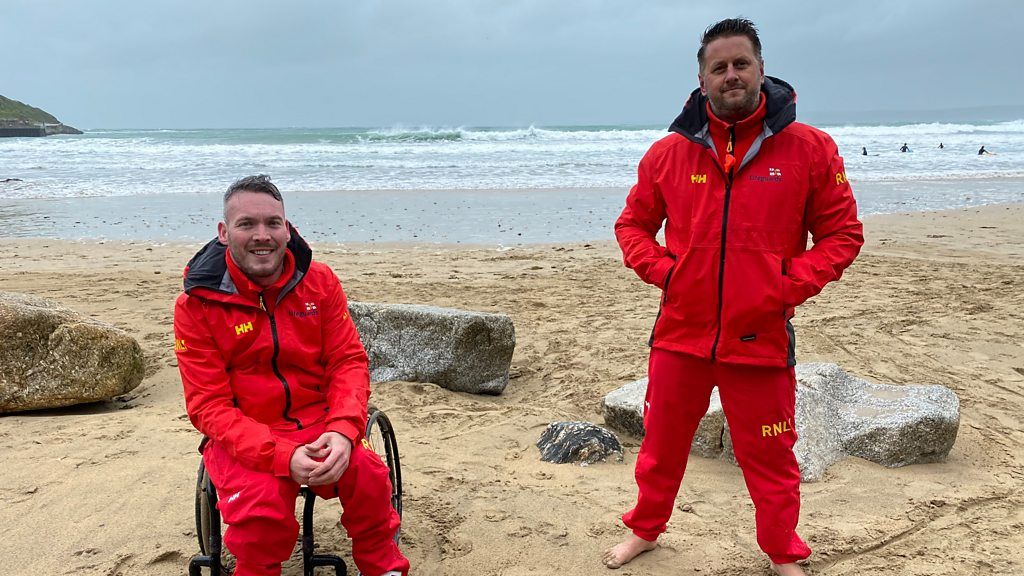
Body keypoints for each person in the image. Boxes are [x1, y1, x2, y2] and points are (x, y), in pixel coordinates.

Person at [607, 18, 863, 576]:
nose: (731, 75)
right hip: (681, 334)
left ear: (761, 70)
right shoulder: (667, 154)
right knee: (660, 449)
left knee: (771, 455)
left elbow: (842, 235)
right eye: (718, 67)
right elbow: (632, 227)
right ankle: (646, 531)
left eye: (740, 63)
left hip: (762, 336)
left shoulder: (809, 149)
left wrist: (784, 286)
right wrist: (668, 274)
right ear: (702, 81)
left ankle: (781, 552)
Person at [173, 175, 409, 576]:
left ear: (288, 227)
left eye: (272, 223)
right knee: (260, 512)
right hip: (246, 433)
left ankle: (383, 566)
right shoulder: (195, 305)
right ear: (224, 233)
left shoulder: (320, 281)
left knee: (369, 476)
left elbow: (348, 362)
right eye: (247, 224)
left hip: (321, 419)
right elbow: (207, 406)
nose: (262, 235)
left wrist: (343, 429)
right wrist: (281, 455)